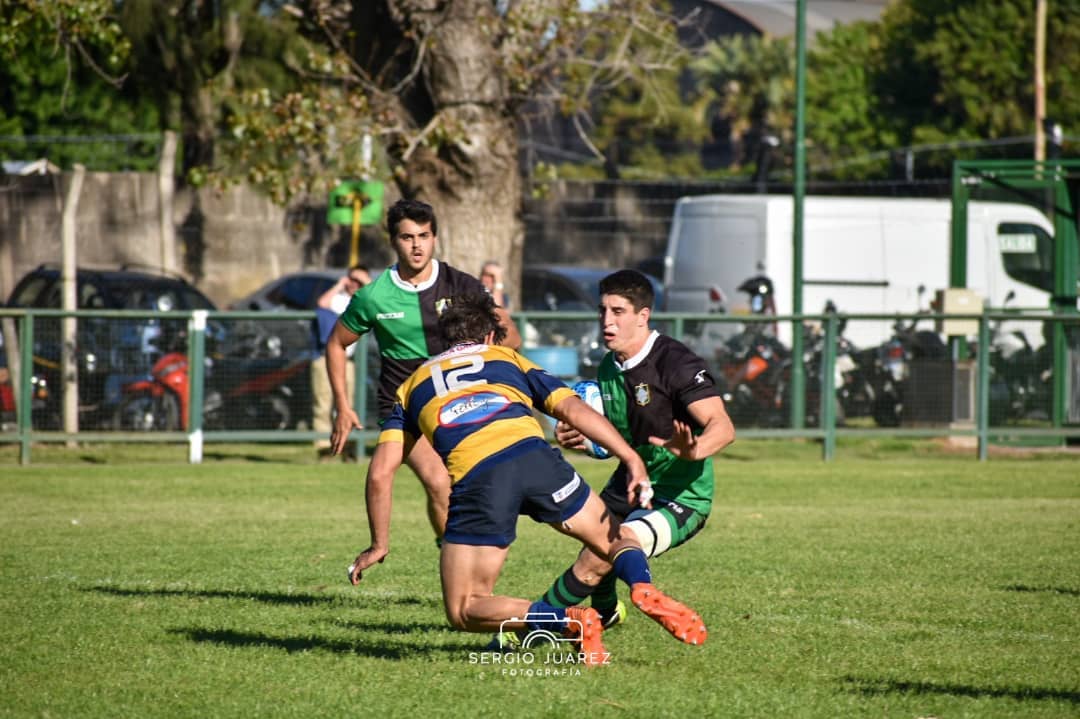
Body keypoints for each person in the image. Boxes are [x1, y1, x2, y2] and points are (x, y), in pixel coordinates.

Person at [343, 291, 708, 663]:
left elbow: (380, 474)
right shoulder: (507, 357)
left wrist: (378, 544)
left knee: (465, 608)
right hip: (538, 461)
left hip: (481, 479)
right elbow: (571, 408)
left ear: (441, 340)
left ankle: (570, 621)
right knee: (614, 539)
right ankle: (643, 585)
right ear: (489, 337)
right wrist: (629, 456)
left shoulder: (412, 386)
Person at [534, 268, 735, 634]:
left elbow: (723, 426)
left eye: (618, 312)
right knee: (592, 551)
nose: (606, 321)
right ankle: (606, 612)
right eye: (602, 311)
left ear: (643, 316)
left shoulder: (675, 363)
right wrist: (582, 439)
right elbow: (616, 437)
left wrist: (694, 450)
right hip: (631, 480)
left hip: (681, 493)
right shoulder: (609, 367)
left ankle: (525, 630)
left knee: (605, 553)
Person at [326, 199, 521, 538]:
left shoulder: (463, 286)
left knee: (468, 486)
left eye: (424, 235)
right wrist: (343, 406)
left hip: (456, 401)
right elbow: (335, 344)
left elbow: (511, 335)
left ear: (435, 238)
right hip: (405, 406)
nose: (417, 245)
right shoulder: (373, 297)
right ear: (393, 241)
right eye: (407, 237)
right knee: (439, 481)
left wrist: (482, 354)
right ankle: (457, 565)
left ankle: (456, 557)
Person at [312, 265, 371, 461]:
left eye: (359, 281)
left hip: (348, 361)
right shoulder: (338, 300)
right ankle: (323, 447)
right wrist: (339, 285)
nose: (354, 284)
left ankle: (347, 446)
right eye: (351, 279)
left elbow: (377, 299)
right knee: (323, 403)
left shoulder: (364, 299)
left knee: (348, 406)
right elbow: (322, 303)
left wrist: (366, 283)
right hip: (325, 358)